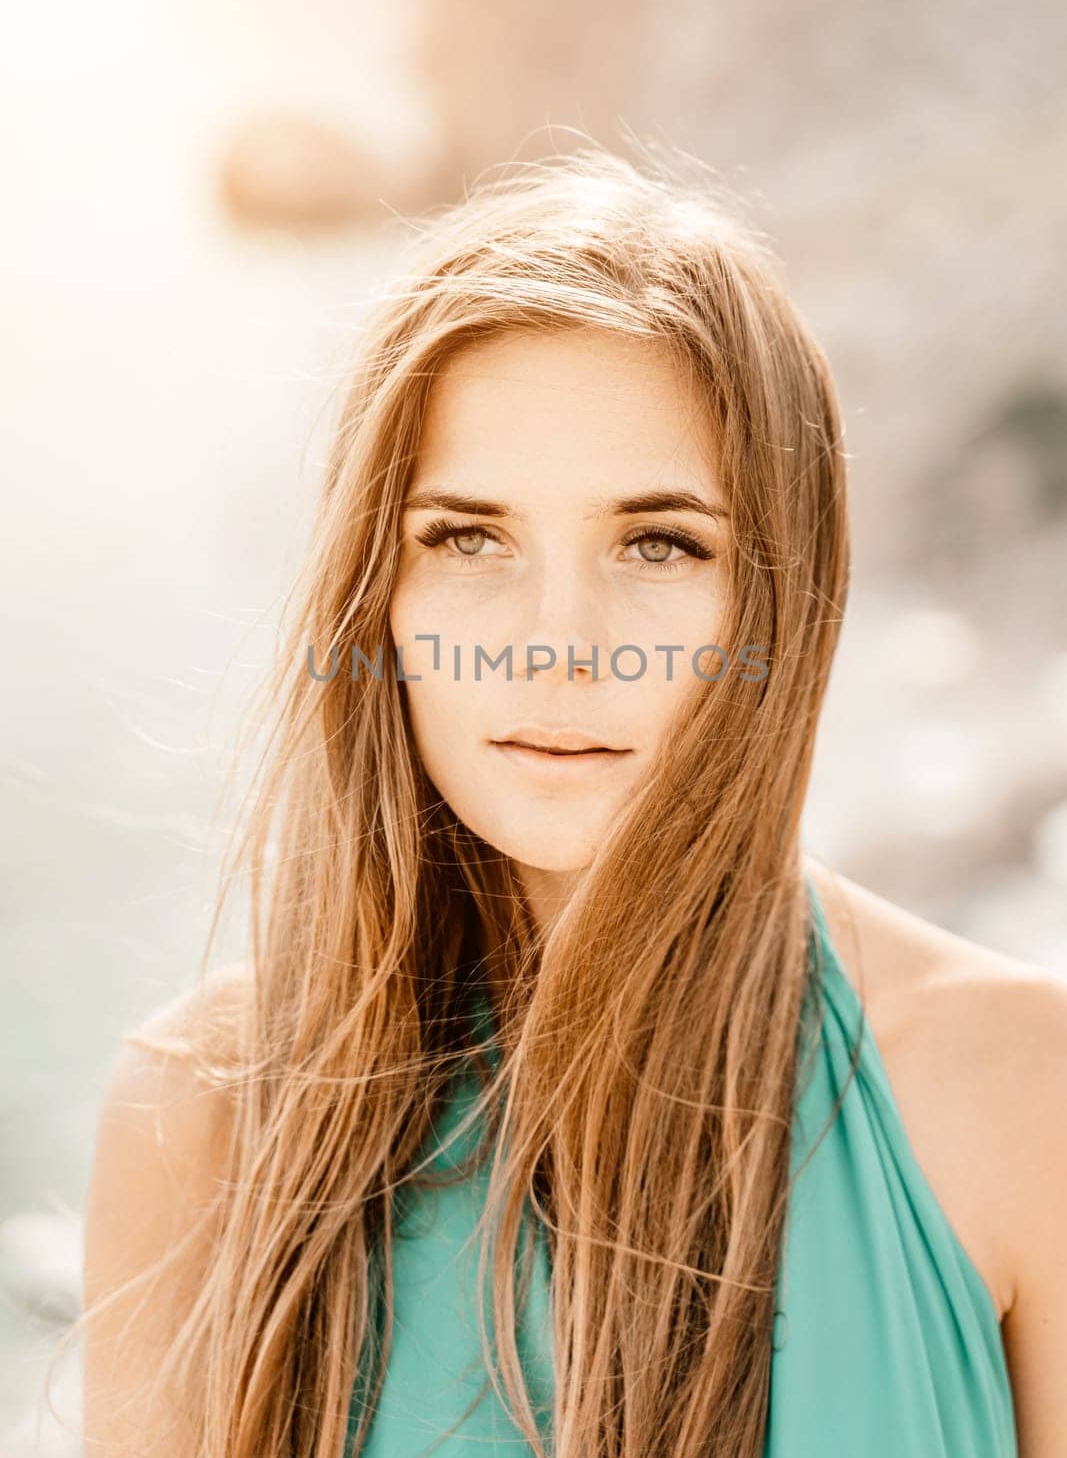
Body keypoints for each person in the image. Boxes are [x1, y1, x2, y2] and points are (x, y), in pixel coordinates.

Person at [79, 145, 1067, 1458]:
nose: (555, 645)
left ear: (776, 595)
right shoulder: (200, 1115)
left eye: (659, 545)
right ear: (378, 593)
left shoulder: (1016, 1089)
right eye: (468, 538)